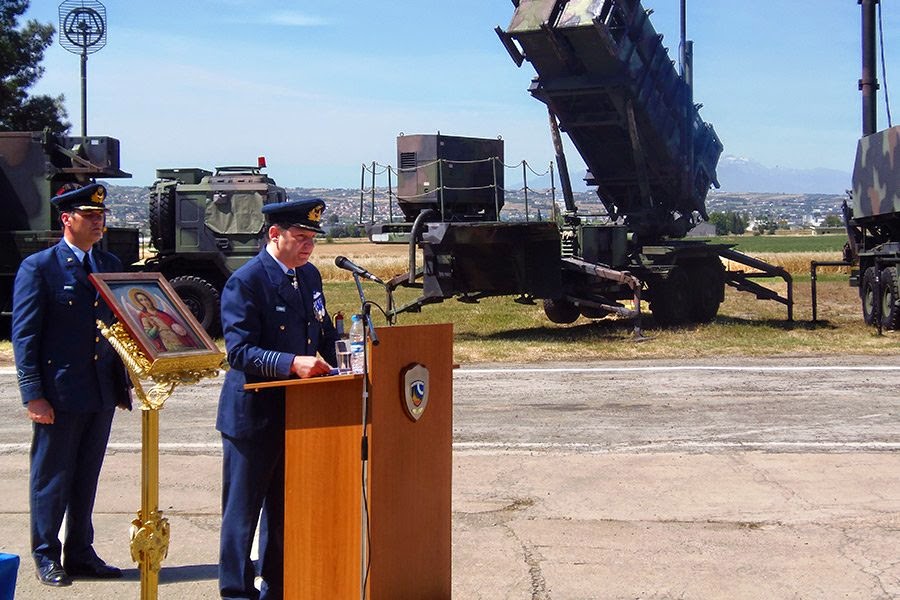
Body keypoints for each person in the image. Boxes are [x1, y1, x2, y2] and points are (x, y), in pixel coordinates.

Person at [217, 198, 337, 600]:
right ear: (274, 234)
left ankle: (279, 584)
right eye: (300, 237)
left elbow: (322, 334)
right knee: (243, 511)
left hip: (297, 413)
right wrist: (291, 363)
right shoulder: (246, 281)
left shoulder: (309, 277)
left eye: (312, 239)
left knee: (285, 509)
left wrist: (350, 361)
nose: (308, 246)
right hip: (253, 413)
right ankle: (235, 590)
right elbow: (238, 352)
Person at [12, 183, 132, 587]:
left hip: (99, 390)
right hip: (59, 393)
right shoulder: (41, 268)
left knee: (86, 476)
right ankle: (46, 553)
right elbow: (25, 337)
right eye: (90, 216)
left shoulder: (110, 262)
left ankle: (80, 551)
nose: (99, 222)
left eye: (101, 216)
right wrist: (34, 395)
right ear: (67, 219)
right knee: (52, 477)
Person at [129, 288, 197, 352]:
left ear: (150, 300)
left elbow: (173, 323)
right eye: (141, 300)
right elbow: (150, 335)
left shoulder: (161, 313)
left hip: (178, 338)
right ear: (140, 303)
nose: (145, 302)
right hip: (167, 341)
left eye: (146, 299)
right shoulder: (144, 316)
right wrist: (155, 327)